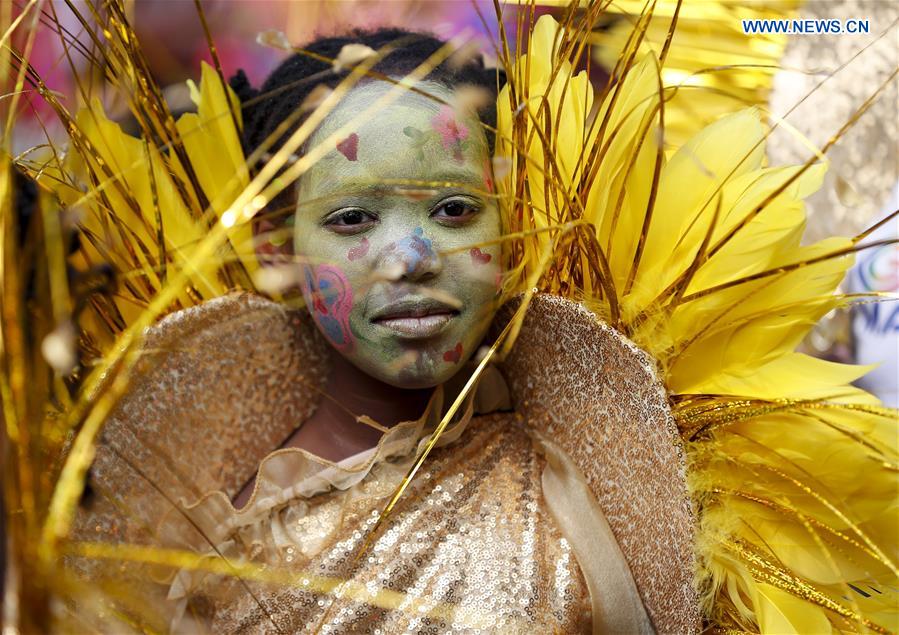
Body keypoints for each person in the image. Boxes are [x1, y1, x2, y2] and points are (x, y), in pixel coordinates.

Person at [66, 26, 696, 634]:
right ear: (278, 249)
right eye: (352, 218)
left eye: (454, 210)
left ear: (511, 228)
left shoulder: (580, 492)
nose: (411, 257)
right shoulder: (224, 543)